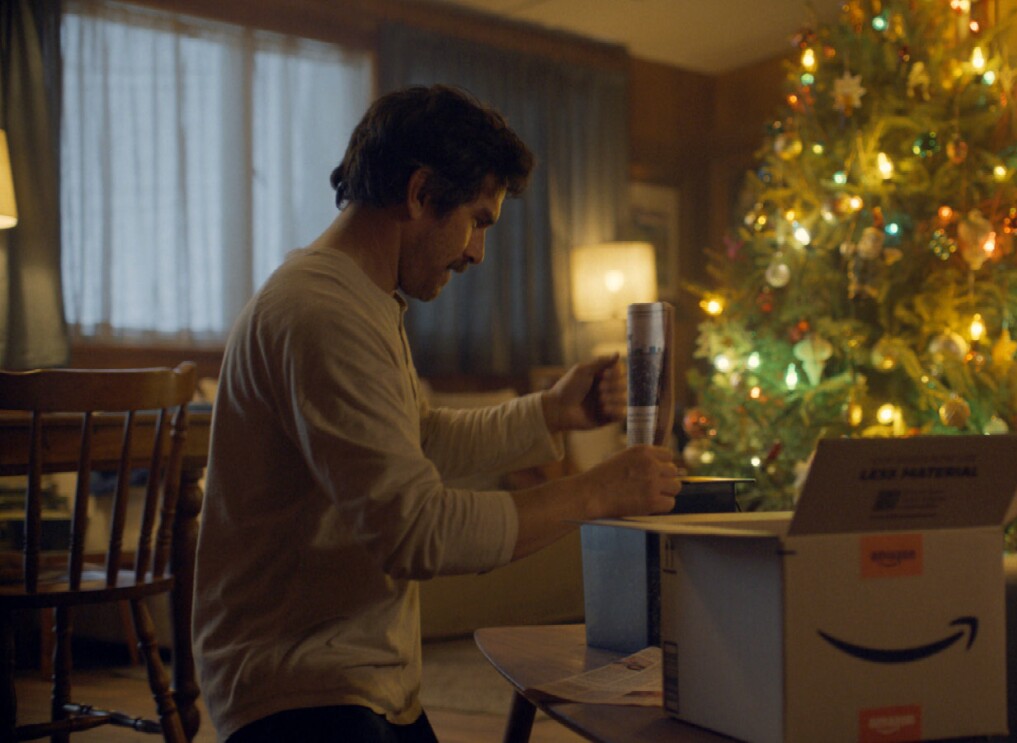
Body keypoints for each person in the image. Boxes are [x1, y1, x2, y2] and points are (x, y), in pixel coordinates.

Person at [193, 85, 681, 743]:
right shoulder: (323, 314)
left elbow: (415, 438)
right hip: (298, 692)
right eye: (478, 220)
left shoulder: (359, 297)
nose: (477, 252)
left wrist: (551, 411)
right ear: (421, 193)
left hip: (358, 681)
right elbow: (415, 529)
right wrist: (598, 490)